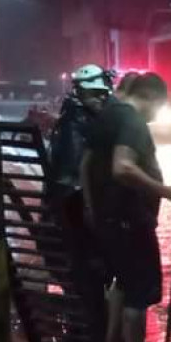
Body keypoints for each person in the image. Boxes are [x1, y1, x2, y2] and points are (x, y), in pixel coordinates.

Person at [81, 73, 171, 342]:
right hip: (130, 223)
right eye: (159, 107)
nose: (156, 115)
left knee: (122, 284)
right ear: (153, 99)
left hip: (109, 221)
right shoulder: (132, 121)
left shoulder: (107, 114)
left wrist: (91, 209)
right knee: (139, 293)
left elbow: (85, 164)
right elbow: (122, 167)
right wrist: (167, 192)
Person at [46, 64, 115, 325]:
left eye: (103, 94)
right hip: (74, 215)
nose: (100, 98)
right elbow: (75, 178)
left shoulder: (78, 117)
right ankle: (90, 331)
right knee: (89, 277)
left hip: (70, 215)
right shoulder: (77, 122)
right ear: (80, 94)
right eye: (94, 94)